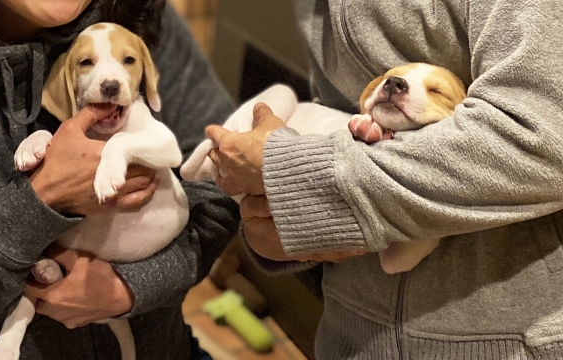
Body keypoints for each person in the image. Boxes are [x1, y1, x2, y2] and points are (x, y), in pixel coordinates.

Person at [206, 0, 563, 358]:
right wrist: (286, 220)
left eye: (438, 92)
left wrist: (300, 181)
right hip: (349, 331)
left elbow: (541, 136)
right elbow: (342, 119)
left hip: (504, 336)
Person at [0, 0, 240, 359]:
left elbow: (226, 184)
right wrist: (40, 199)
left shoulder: (142, 15)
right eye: (87, 63)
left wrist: (133, 285)